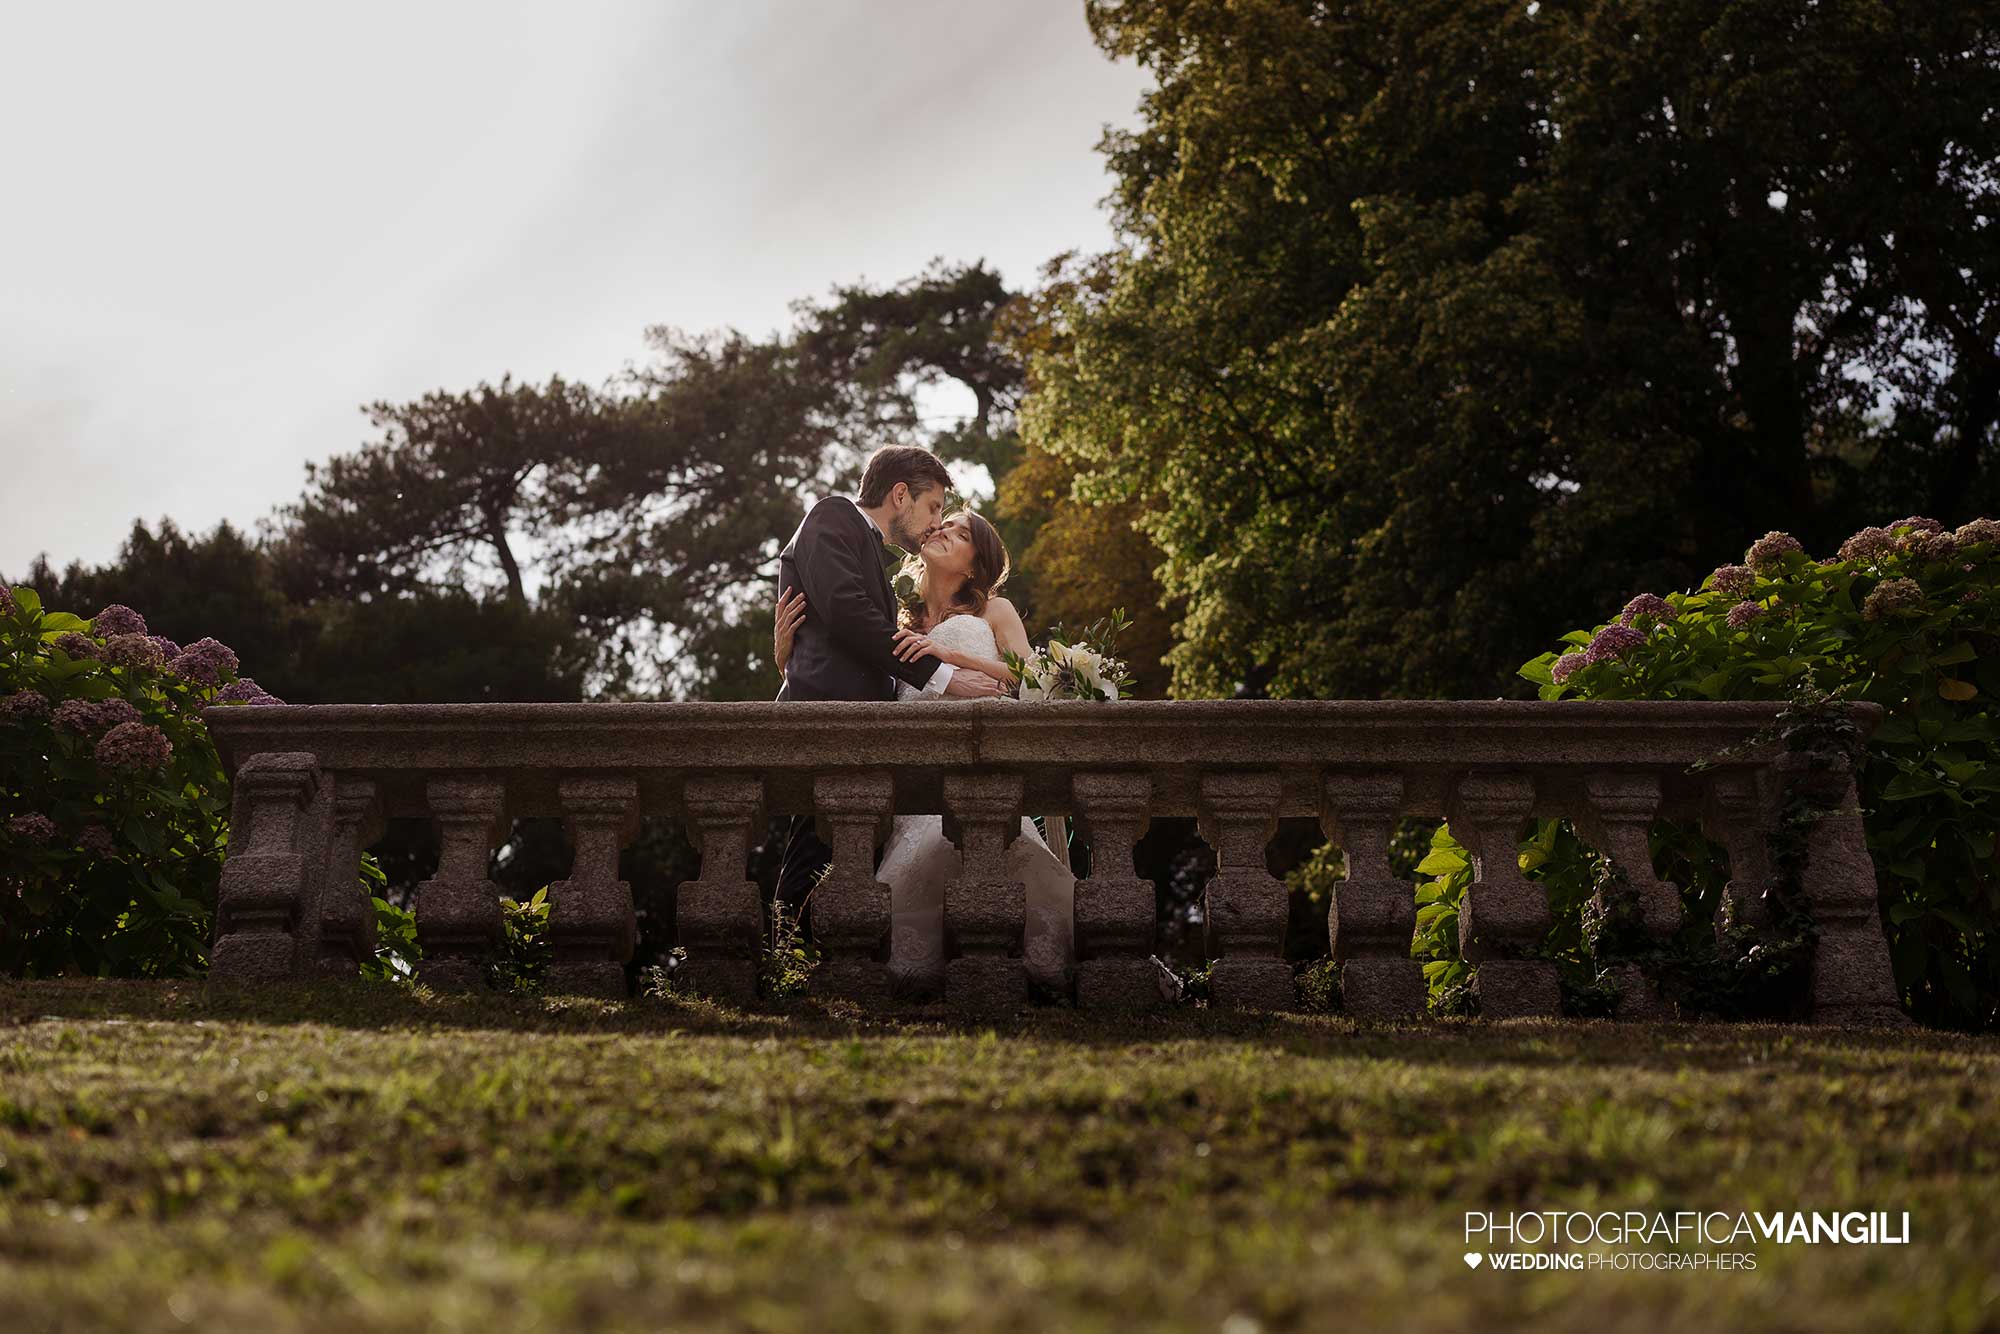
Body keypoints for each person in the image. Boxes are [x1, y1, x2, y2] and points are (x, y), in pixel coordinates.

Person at [776, 505, 1076, 999]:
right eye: (942, 521)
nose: (941, 528)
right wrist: (784, 658)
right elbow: (848, 688)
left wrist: (949, 657)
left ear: (974, 567)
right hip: (910, 796)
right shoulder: (893, 621)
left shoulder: (992, 611)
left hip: (978, 777)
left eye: (959, 533)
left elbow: (1037, 681)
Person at [771, 446, 1005, 944]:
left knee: (843, 867)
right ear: (901, 495)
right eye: (934, 507)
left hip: (865, 736)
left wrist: (787, 656)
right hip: (827, 726)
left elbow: (853, 634)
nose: (935, 523)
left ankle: (806, 970)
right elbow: (849, 613)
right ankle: (784, 971)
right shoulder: (832, 516)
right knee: (810, 862)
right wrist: (945, 678)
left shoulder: (871, 553)